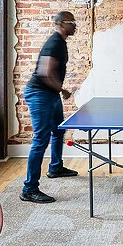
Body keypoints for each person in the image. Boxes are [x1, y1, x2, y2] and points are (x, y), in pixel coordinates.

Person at [21, 10, 79, 203]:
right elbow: (44, 73)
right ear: (61, 23)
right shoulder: (54, 43)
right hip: (40, 95)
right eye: (71, 22)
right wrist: (62, 90)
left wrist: (58, 92)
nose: (75, 25)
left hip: (50, 95)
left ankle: (55, 167)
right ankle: (29, 189)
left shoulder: (61, 43)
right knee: (40, 140)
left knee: (58, 130)